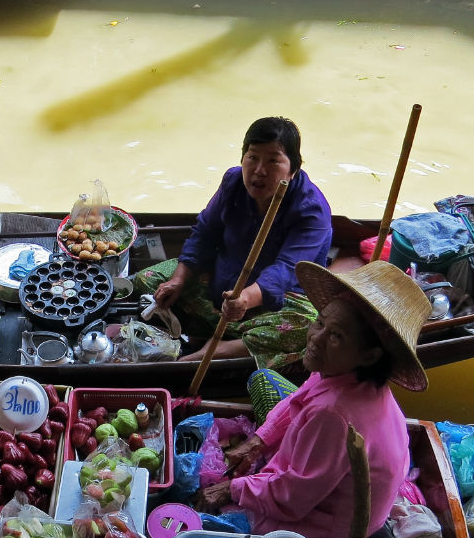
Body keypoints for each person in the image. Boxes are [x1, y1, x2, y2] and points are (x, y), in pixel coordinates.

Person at [194, 259, 432, 538]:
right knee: (264, 379)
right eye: (320, 322)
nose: (316, 338)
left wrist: (232, 489)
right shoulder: (349, 374)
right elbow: (300, 397)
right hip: (324, 480)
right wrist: (257, 441)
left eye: (336, 336)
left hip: (326, 528)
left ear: (369, 355)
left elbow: (292, 497)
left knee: (213, 519)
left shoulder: (332, 414)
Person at [133, 116, 333, 372]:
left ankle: (222, 347)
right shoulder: (233, 181)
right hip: (223, 281)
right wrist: (179, 280)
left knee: (309, 324)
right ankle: (226, 333)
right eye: (253, 157)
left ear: (292, 169)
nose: (260, 170)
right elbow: (205, 232)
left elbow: (285, 270)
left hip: (277, 298)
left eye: (273, 160)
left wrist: (245, 300)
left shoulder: (311, 210)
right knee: (147, 279)